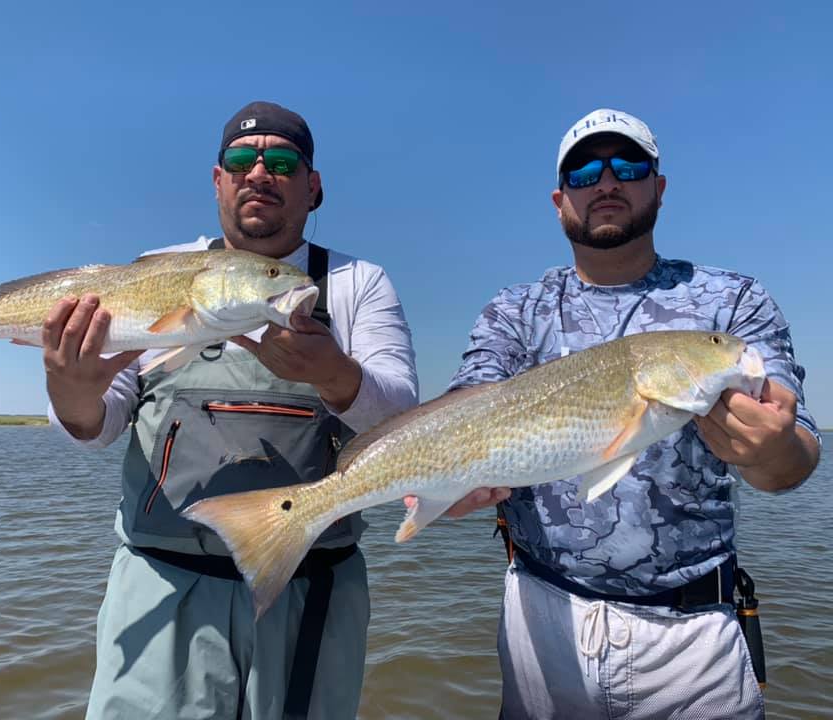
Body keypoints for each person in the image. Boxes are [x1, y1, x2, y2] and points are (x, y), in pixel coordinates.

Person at [43, 101, 418, 720]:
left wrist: (332, 372)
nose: (259, 173)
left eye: (283, 162)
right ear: (218, 180)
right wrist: (72, 391)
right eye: (241, 160)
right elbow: (98, 423)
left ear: (313, 185)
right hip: (162, 585)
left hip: (312, 585)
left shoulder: (357, 284)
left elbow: (402, 424)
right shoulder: (154, 271)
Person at [447, 108, 821, 719]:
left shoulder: (732, 301)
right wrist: (455, 475)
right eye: (583, 171)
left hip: (695, 634)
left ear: (660, 186)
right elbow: (469, 405)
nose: (606, 182)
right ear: (559, 198)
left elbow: (791, 460)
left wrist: (776, 449)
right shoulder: (514, 310)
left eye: (628, 165)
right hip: (542, 616)